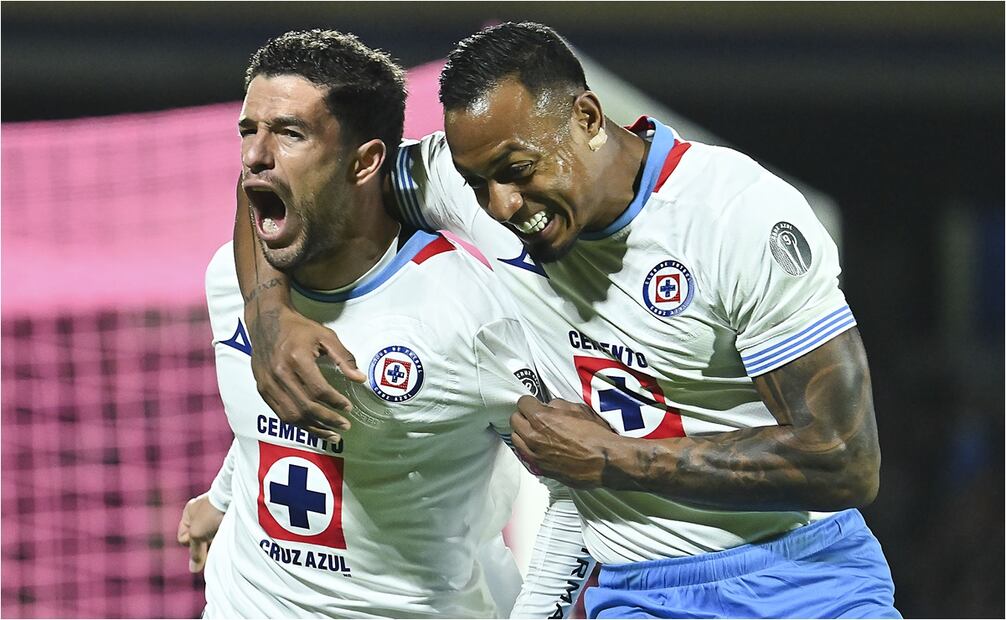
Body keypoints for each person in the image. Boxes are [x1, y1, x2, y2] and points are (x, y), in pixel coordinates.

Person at [235, 22, 900, 620]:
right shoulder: (464, 181)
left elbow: (845, 459)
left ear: (587, 117)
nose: (501, 205)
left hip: (804, 575)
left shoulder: (734, 217)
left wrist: (613, 458)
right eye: (478, 183)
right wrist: (268, 314)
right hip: (639, 592)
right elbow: (287, 183)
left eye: (518, 171)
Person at [176, 29, 594, 618]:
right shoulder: (233, 278)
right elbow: (274, 421)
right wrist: (223, 498)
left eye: (290, 133)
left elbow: (576, 491)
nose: (253, 157)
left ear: (366, 161)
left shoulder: (472, 317)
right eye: (249, 131)